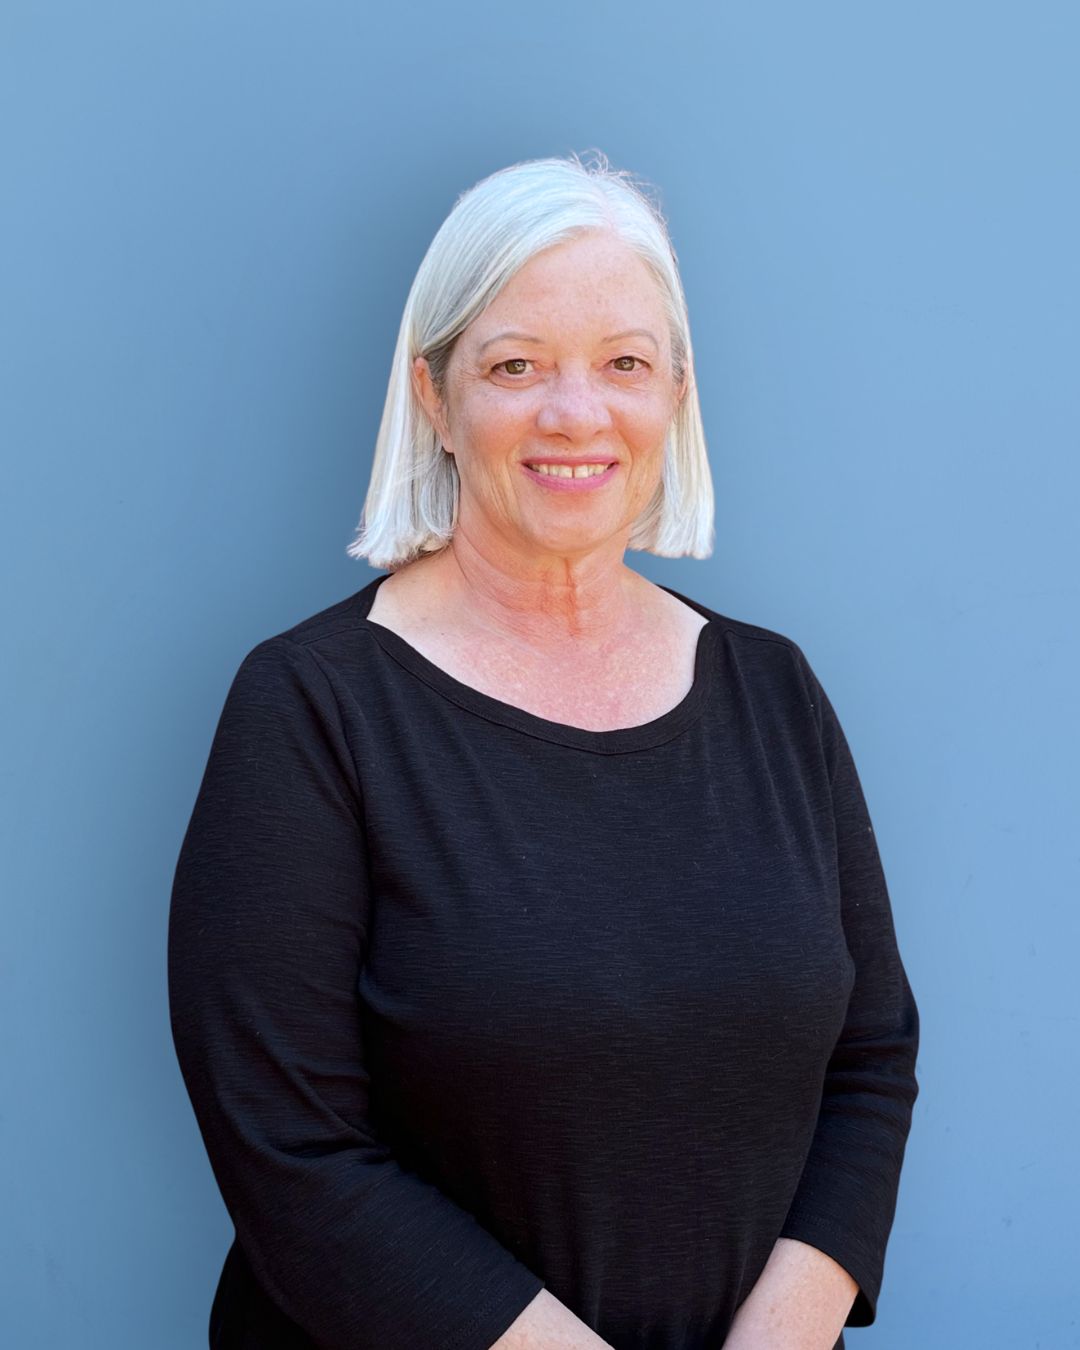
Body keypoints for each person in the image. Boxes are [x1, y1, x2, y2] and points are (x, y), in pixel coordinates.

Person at [168, 150, 920, 1350]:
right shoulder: (312, 708)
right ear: (434, 397)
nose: (578, 414)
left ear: (676, 392)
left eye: (625, 363)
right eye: (516, 366)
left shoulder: (774, 692)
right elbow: (291, 1148)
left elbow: (871, 1060)